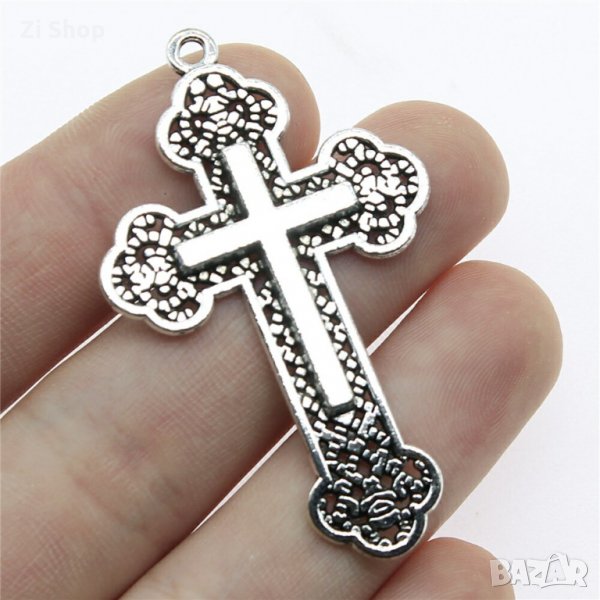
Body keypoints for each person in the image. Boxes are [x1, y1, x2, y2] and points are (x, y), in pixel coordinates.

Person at [1, 43, 562, 599]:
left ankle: (361, 470)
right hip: (306, 340)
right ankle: (359, 472)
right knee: (326, 367)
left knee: (339, 374)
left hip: (336, 383)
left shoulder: (304, 201)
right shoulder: (210, 235)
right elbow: (155, 267)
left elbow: (380, 186)